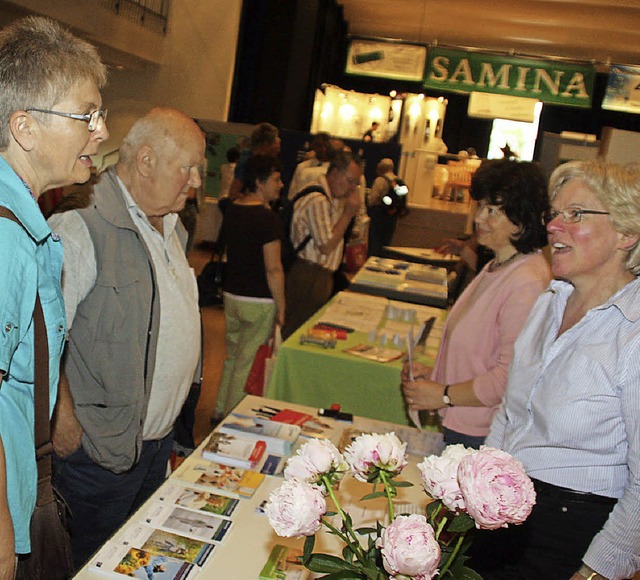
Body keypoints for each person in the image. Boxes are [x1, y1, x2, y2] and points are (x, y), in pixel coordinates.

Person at [48, 107, 204, 568]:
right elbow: (40, 331)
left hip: (152, 447)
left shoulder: (171, 224)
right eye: (188, 168)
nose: (196, 181)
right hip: (96, 453)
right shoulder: (80, 223)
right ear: (146, 160)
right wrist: (64, 419)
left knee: (130, 566)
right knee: (85, 565)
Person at [473, 160, 640, 580]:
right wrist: (477, 490)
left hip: (572, 535)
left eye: (576, 214)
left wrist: (594, 571)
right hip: (505, 519)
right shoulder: (550, 301)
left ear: (627, 233)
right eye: (555, 213)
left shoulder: (633, 333)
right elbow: (509, 415)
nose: (553, 226)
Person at [0, 16, 108, 579]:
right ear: (25, 127)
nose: (101, 132)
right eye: (86, 116)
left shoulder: (24, 224)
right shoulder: (6, 241)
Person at [402, 160, 551, 448]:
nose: (479, 218)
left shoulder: (527, 281)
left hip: (482, 431)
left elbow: (511, 376)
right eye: (480, 206)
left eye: (493, 211)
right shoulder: (499, 264)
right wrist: (434, 376)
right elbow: (479, 354)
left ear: (521, 218)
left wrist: (443, 393)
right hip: (463, 420)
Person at [213, 155, 285, 421]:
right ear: (259, 182)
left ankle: (220, 405)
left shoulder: (232, 209)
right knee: (248, 360)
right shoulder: (267, 219)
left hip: (232, 294)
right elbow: (273, 268)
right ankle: (233, 416)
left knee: (233, 356)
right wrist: (282, 305)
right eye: (275, 180)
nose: (280, 185)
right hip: (259, 299)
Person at [282, 150, 363, 340]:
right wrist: (348, 213)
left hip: (322, 276)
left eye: (356, 183)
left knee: (308, 332)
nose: (353, 188)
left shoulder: (332, 198)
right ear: (334, 173)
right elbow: (326, 245)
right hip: (308, 275)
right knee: (295, 332)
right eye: (350, 181)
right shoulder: (317, 199)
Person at [228, 123, 280, 200]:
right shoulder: (245, 162)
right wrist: (253, 201)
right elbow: (233, 193)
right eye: (274, 142)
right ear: (265, 144)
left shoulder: (264, 160)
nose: (277, 147)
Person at [366, 158, 400, 257]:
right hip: (392, 216)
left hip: (379, 214)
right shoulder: (397, 180)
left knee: (375, 240)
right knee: (386, 242)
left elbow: (372, 199)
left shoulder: (380, 180)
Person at [287, 133, 332, 199]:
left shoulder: (333, 169)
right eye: (320, 146)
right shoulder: (302, 167)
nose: (323, 149)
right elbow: (293, 193)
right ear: (314, 147)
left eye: (326, 146)